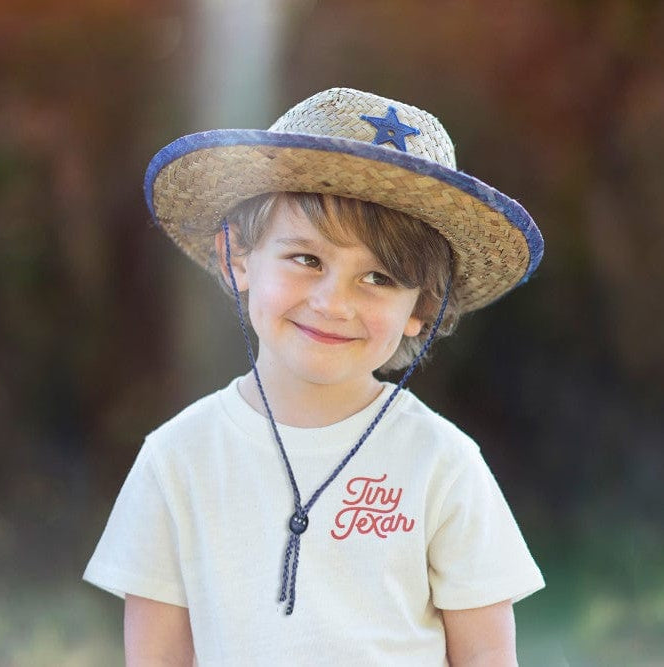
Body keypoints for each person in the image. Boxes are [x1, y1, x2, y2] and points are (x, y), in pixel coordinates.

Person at [84, 87, 545, 666]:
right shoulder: (176, 459)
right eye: (307, 259)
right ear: (238, 257)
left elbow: (485, 658)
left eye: (379, 278)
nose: (333, 303)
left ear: (422, 308)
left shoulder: (443, 464)